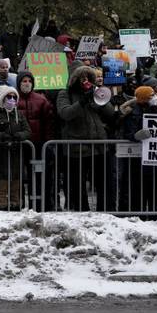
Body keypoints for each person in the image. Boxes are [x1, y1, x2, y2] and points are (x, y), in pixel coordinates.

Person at [56, 66, 116, 211]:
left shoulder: (94, 92)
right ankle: (81, 211)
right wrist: (82, 102)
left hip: (99, 145)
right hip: (78, 146)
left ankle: (107, 211)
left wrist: (98, 97)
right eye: (82, 78)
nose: (86, 81)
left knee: (105, 182)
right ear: (75, 79)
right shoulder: (65, 94)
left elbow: (110, 113)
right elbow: (65, 113)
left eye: (89, 78)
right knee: (77, 184)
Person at [120, 86, 157, 216]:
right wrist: (136, 136)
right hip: (139, 162)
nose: (155, 97)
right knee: (139, 193)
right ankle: (139, 218)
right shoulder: (132, 113)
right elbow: (127, 133)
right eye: (151, 95)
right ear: (144, 98)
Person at [0, 85, 30, 210]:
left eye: (14, 97)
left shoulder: (19, 114)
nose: (12, 99)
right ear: (2, 98)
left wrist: (19, 136)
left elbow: (27, 130)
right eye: (9, 97)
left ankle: (15, 205)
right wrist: (2, 136)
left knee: (16, 179)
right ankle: (1, 205)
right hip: (0, 154)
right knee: (2, 180)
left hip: (16, 153)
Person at [16, 71, 55, 211]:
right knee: (17, 176)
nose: (26, 84)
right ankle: (17, 206)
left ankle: (38, 206)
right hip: (19, 145)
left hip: (38, 145)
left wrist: (47, 143)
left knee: (38, 177)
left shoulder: (41, 100)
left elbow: (48, 124)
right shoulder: (13, 98)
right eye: (24, 81)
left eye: (29, 81)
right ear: (19, 83)